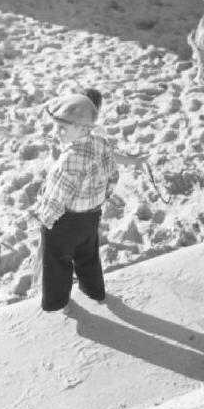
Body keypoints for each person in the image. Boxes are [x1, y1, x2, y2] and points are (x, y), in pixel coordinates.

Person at [35, 92, 119, 314]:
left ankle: (58, 302)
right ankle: (95, 291)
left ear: (82, 129)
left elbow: (58, 194)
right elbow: (113, 175)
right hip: (91, 215)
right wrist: (103, 196)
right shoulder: (100, 142)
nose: (56, 132)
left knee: (57, 261)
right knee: (88, 254)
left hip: (67, 220)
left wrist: (46, 219)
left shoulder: (70, 159)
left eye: (62, 128)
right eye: (56, 126)